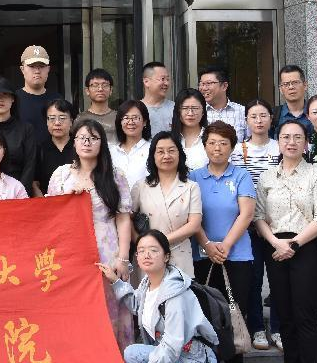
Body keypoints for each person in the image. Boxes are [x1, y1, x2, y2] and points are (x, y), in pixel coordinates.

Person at [47, 118, 134, 349]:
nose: (87, 143)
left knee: (109, 309)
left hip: (107, 252)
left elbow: (123, 218)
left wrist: (123, 257)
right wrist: (68, 201)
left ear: (102, 143)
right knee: (76, 311)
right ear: (74, 141)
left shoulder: (115, 176)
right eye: (82, 138)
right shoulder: (61, 175)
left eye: (93, 138)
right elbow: (50, 216)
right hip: (70, 255)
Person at [254, 120, 317, 363]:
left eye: (298, 137)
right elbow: (258, 216)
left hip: (307, 248)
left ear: (306, 143)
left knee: (305, 316)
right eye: (286, 137)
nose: (291, 142)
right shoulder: (267, 177)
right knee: (285, 317)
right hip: (275, 249)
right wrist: (276, 243)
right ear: (278, 142)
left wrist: (294, 244)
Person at [99, 230, 218, 363]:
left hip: (191, 356)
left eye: (153, 250)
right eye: (141, 251)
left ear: (166, 257)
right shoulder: (147, 284)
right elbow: (138, 306)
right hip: (167, 349)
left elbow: (172, 348)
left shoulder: (175, 294)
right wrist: (116, 281)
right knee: (131, 353)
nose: (146, 255)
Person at [190, 121, 255, 363]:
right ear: (205, 146)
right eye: (212, 143)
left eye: (223, 143)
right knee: (205, 315)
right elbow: (191, 217)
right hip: (202, 256)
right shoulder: (193, 177)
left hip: (236, 256)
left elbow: (246, 214)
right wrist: (207, 245)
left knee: (234, 315)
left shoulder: (241, 175)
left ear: (232, 147)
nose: (217, 148)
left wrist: (225, 245)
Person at [229, 99, 281, 351]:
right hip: (249, 226)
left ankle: (279, 328)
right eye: (253, 116)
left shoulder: (281, 146)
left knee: (279, 279)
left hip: (278, 224)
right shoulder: (237, 151)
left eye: (263, 115)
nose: (259, 121)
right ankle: (257, 328)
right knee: (254, 278)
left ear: (271, 118)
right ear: (246, 120)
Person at [131, 132, 202, 275]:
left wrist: (160, 242)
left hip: (179, 256)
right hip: (147, 257)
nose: (166, 156)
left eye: (171, 151)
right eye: (160, 152)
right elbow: (127, 218)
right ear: (153, 156)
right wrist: (141, 243)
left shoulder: (191, 187)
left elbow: (194, 225)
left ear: (180, 154)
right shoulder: (141, 186)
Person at [16, 45, 60, 146]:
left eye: (42, 66)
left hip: (52, 154)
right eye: (32, 66)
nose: (37, 71)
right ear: (22, 69)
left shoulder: (57, 99)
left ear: (48, 69)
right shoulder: (13, 100)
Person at [33, 99, 76, 197]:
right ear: (46, 122)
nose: (57, 123)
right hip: (48, 203)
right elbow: (34, 182)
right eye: (52, 118)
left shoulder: (80, 147)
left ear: (71, 121)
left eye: (62, 118)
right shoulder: (39, 149)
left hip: (76, 202)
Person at [110, 100, 152, 189]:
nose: (130, 122)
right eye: (126, 118)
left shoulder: (152, 150)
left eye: (135, 118)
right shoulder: (111, 151)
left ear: (144, 122)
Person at [198, 66, 246, 143]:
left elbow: (251, 143)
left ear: (224, 86)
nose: (203, 88)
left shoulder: (242, 112)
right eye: (201, 84)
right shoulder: (197, 112)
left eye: (208, 83)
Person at [77, 68, 117, 144]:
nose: (100, 89)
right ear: (87, 91)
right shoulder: (80, 119)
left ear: (111, 90)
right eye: (95, 85)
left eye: (105, 85)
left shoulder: (119, 118)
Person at [270, 65, 312, 138]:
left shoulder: (316, 114)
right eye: (286, 84)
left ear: (305, 85)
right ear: (281, 89)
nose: (291, 87)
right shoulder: (273, 115)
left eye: (295, 82)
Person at [171, 89, 209, 171]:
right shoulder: (169, 139)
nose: (190, 113)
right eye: (185, 108)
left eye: (195, 108)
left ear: (203, 111)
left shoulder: (211, 138)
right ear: (178, 111)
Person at [141, 61, 175, 135]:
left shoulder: (175, 108)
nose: (166, 83)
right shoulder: (136, 110)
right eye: (162, 79)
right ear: (146, 82)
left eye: (167, 79)